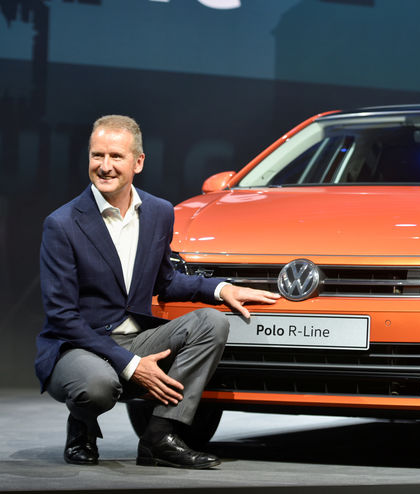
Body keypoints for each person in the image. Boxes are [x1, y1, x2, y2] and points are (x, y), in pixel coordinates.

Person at [34, 114, 279, 469]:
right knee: (97, 387)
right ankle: (82, 425)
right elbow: (62, 317)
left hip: (134, 338)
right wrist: (132, 365)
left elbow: (165, 282)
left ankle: (159, 438)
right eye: (97, 156)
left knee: (211, 323)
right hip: (78, 345)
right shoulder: (62, 224)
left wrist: (221, 289)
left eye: (116, 157)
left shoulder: (159, 212)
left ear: (138, 162)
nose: (104, 166)